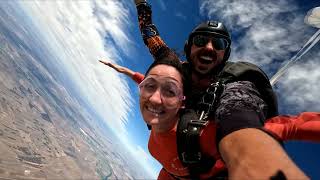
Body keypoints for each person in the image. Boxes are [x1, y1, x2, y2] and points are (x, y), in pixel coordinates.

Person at [132, 1, 311, 179]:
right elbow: (150, 35)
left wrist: (251, 153)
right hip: (169, 172)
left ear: (225, 55)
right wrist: (141, 4)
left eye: (218, 44)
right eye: (201, 40)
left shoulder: (234, 84)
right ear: (189, 47)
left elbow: (240, 109)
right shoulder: (175, 69)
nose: (209, 47)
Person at [100, 59, 320, 178]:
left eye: (170, 92)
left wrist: (259, 158)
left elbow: (285, 126)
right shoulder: (157, 122)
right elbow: (155, 85)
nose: (155, 99)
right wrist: (129, 73)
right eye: (148, 86)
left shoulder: (201, 132)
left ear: (183, 101)